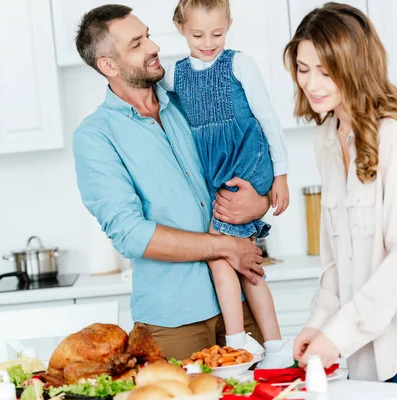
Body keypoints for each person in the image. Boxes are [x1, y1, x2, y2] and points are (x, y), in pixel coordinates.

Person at [72, 4, 272, 360]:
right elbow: (131, 234)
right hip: (173, 321)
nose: (153, 46)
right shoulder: (95, 136)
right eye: (137, 43)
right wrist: (223, 247)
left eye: (147, 34)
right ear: (108, 65)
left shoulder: (189, 99)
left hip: (241, 302)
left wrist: (262, 199)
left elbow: (250, 149)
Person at [285, 3, 397, 398]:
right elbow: (334, 261)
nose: (312, 83)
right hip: (365, 351)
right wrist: (319, 323)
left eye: (326, 71)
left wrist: (338, 335)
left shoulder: (395, 136)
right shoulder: (327, 137)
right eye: (303, 68)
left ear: (354, 67)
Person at [158, 0, 292, 368]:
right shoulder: (175, 74)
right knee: (245, 262)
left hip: (244, 165)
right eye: (198, 34)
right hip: (216, 172)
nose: (208, 42)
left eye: (217, 33)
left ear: (229, 25)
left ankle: (237, 342)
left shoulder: (238, 63)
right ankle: (276, 347)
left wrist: (280, 175)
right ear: (180, 28)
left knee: (221, 255)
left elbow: (268, 118)